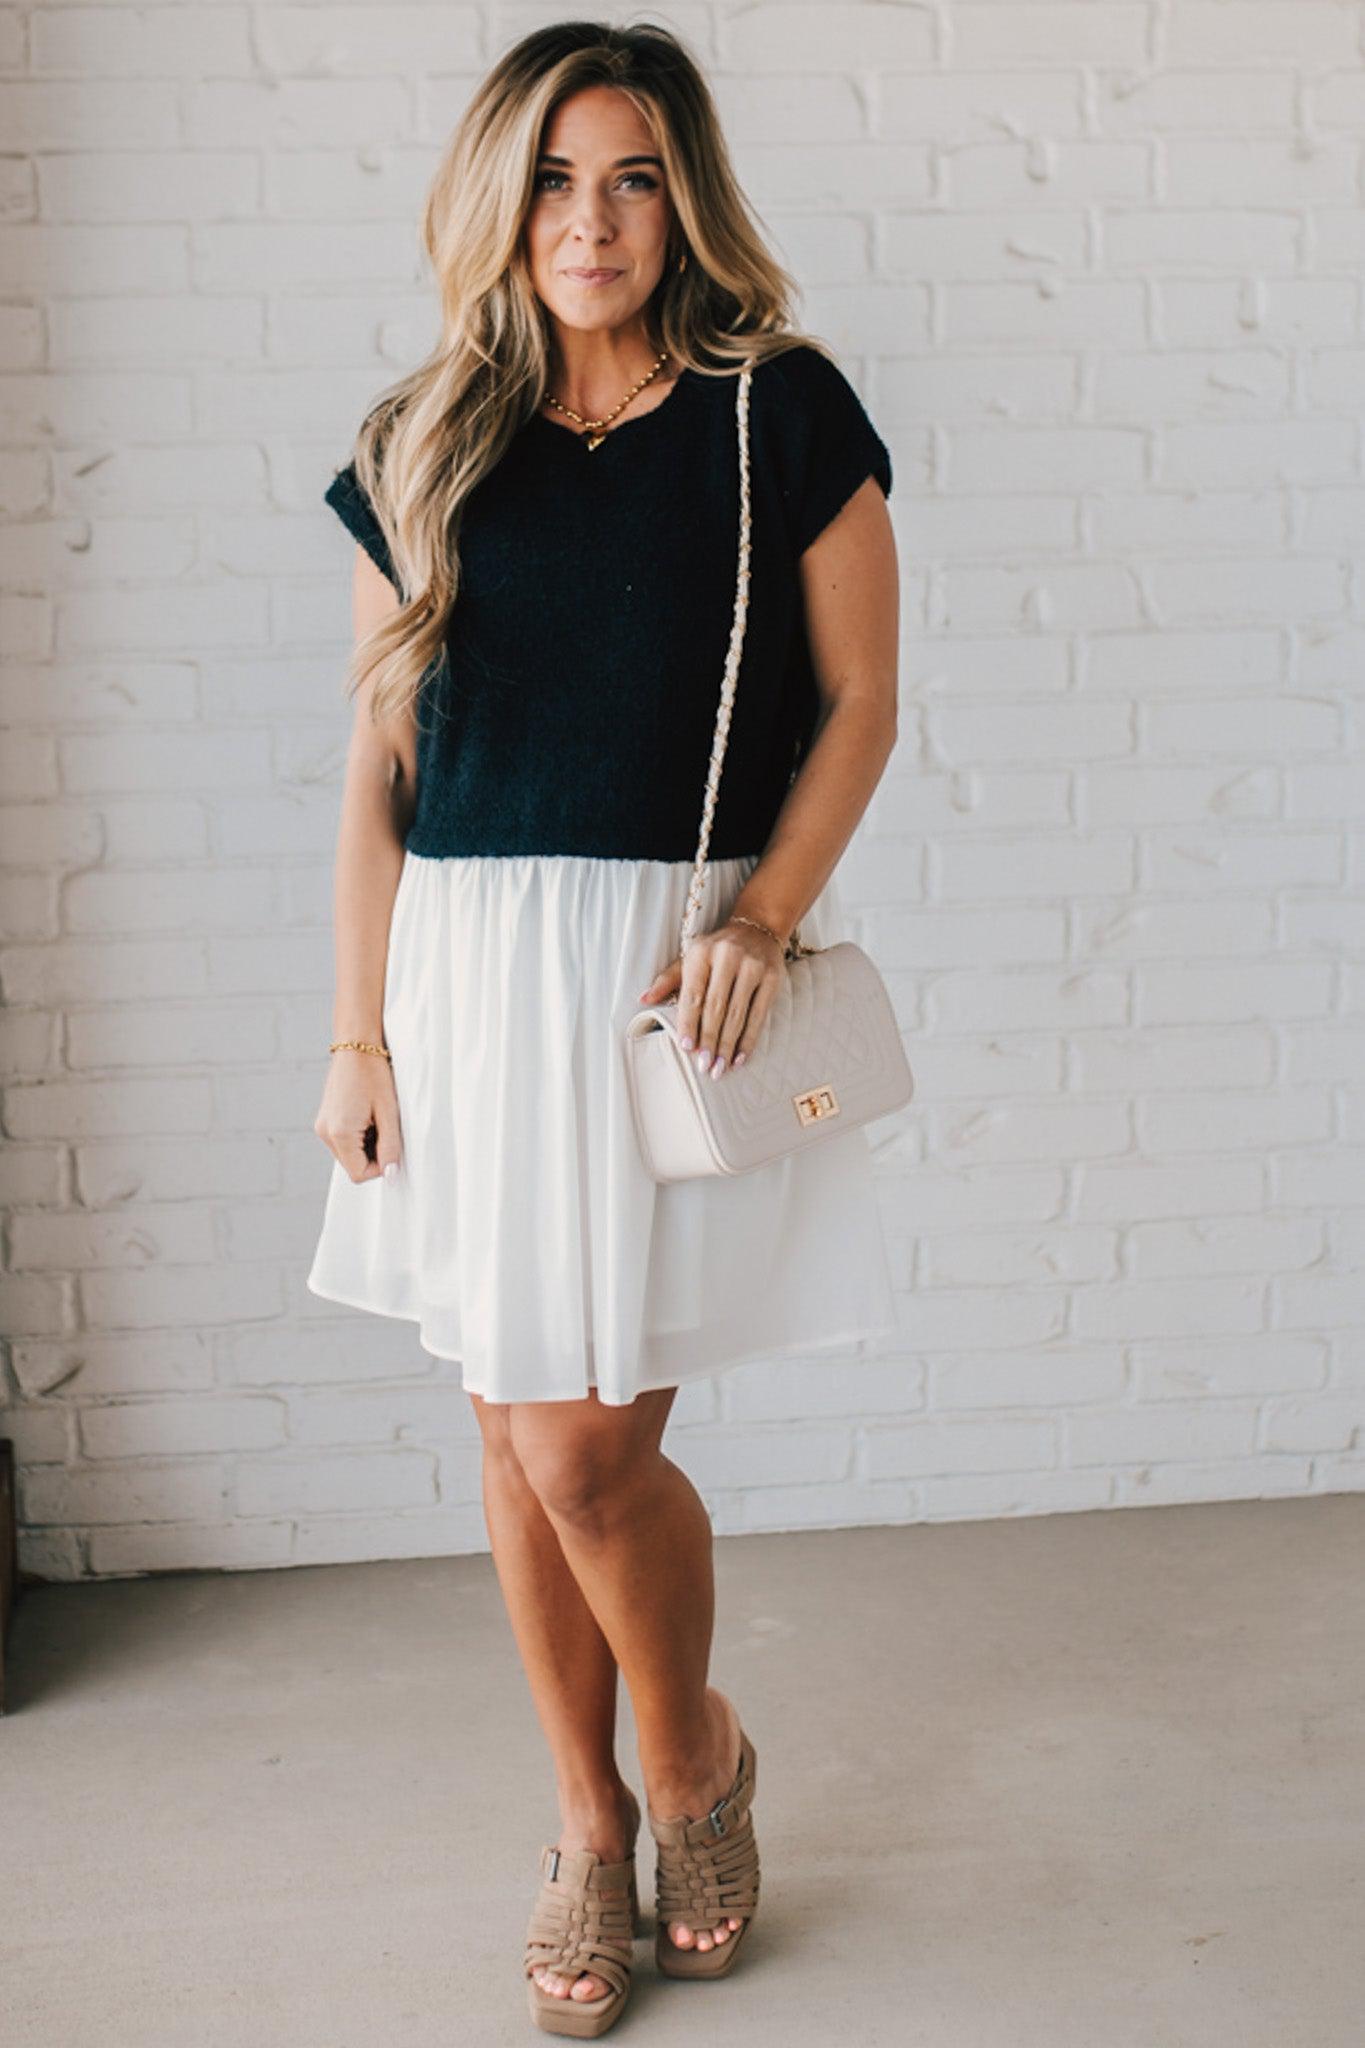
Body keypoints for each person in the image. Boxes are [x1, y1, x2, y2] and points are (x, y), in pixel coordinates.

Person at [306, 20, 901, 2037]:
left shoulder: (776, 412)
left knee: (579, 1441)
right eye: (555, 178)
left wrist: (761, 914)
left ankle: (691, 1753)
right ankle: (582, 1824)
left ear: (685, 196)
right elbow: (378, 773)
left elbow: (858, 706)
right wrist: (355, 1033)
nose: (592, 219)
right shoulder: (424, 433)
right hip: (459, 984)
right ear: (500, 198)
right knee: (503, 1418)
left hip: (658, 976)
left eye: (631, 176)